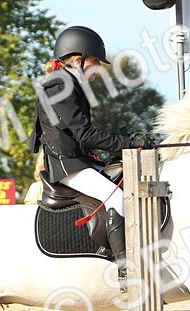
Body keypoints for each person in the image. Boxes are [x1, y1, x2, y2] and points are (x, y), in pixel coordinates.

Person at [30, 25, 162, 286]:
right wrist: (128, 142)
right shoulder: (61, 86)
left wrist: (125, 142)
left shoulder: (66, 84)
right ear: (78, 59)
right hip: (68, 166)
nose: (98, 68)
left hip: (77, 160)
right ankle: (125, 270)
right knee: (118, 198)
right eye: (95, 62)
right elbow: (85, 134)